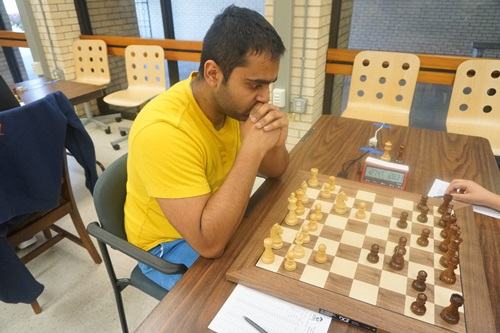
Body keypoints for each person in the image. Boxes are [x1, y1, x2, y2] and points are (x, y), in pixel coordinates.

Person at [124, 5, 289, 291]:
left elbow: (277, 171)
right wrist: (251, 151)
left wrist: (273, 141)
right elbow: (209, 243)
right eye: (254, 85)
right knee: (254, 299)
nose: (265, 98)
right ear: (213, 73)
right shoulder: (164, 130)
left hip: (217, 219)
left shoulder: (233, 105)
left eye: (269, 85)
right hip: (169, 246)